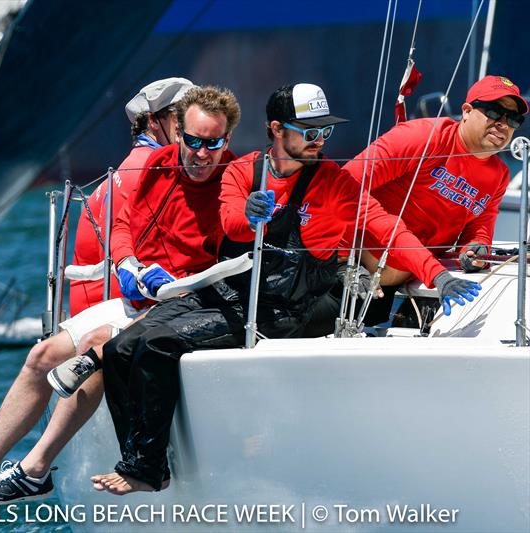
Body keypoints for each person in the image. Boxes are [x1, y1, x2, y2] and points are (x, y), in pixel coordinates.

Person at [90, 82, 470, 495]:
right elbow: (231, 218)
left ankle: (144, 469)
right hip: (235, 292)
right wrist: (251, 217)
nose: (319, 141)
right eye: (309, 132)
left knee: (159, 343)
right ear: (276, 129)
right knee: (120, 348)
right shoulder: (242, 171)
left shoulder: (335, 184)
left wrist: (437, 275)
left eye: (325, 132)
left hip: (288, 307)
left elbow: (387, 228)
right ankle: (147, 459)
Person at [0, 81, 234, 505]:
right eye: (183, 125)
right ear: (165, 124)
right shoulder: (150, 167)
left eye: (205, 136)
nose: (198, 145)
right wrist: (130, 264)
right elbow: (121, 227)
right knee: (40, 356)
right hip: (140, 294)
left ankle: (34, 470)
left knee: (97, 348)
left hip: (182, 302)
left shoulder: (228, 172)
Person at [343, 75, 527, 319]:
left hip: (399, 288)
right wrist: (342, 262)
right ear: (467, 111)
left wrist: (474, 249)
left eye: (513, 119)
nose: (503, 124)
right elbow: (343, 186)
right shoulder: (422, 137)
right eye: (494, 112)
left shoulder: (499, 175)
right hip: (348, 276)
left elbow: (479, 229)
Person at [70, 77, 194, 315]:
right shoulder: (152, 169)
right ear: (153, 121)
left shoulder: (136, 162)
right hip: (117, 309)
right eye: (180, 114)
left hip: (96, 305)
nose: (189, 123)